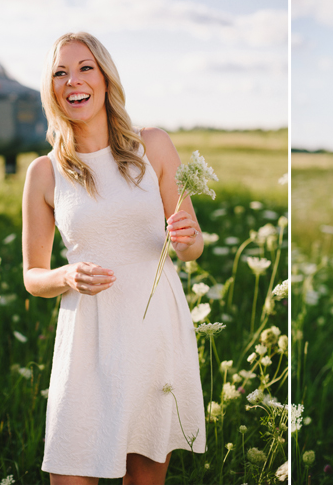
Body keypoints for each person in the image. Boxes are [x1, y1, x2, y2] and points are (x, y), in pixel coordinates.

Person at [22, 32, 206, 485]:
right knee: (70, 471)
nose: (73, 81)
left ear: (105, 78)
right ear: (51, 90)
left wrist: (187, 238)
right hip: (87, 336)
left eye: (85, 68)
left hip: (153, 330)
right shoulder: (45, 172)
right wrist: (66, 275)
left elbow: (192, 249)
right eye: (60, 73)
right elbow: (32, 276)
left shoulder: (153, 145)